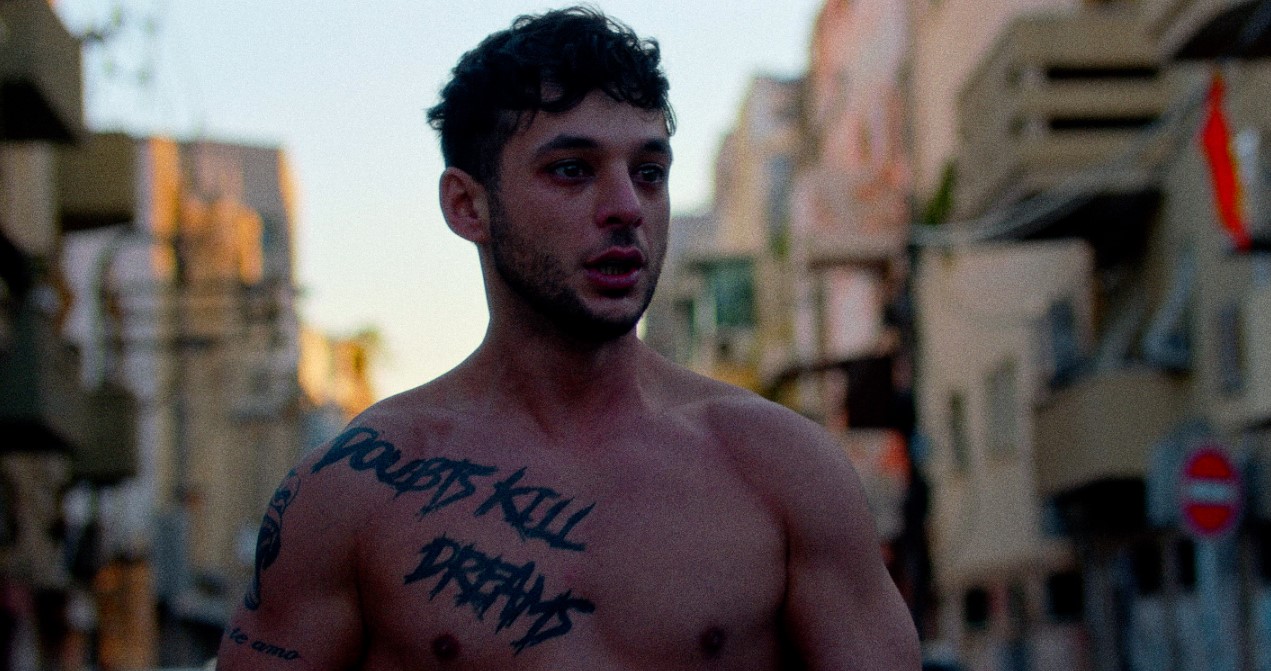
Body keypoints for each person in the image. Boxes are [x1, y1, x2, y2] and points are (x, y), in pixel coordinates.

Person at [216, 6, 920, 670]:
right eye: (572, 170)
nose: (625, 208)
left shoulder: (780, 469)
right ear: (466, 205)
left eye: (648, 173)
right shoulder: (356, 489)